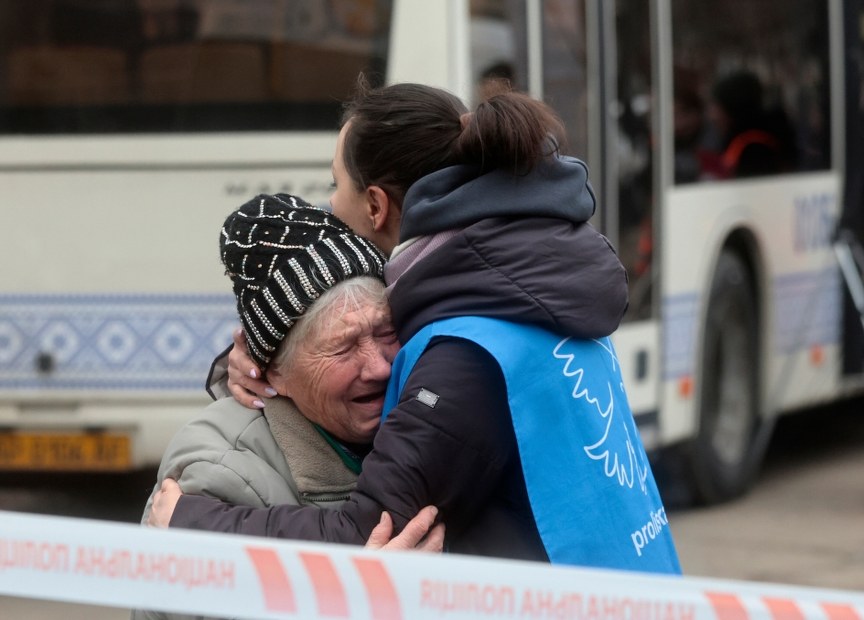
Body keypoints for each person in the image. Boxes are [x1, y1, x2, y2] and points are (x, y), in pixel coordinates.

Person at [151, 81, 681, 574]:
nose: (330, 207)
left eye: (337, 186)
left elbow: (367, 534)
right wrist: (262, 354)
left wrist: (190, 525)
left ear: (376, 206)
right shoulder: (525, 278)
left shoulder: (466, 346)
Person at [134, 195, 443, 620]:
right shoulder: (216, 478)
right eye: (343, 347)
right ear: (272, 373)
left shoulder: (429, 409)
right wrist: (363, 601)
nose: (379, 366)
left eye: (386, 331)